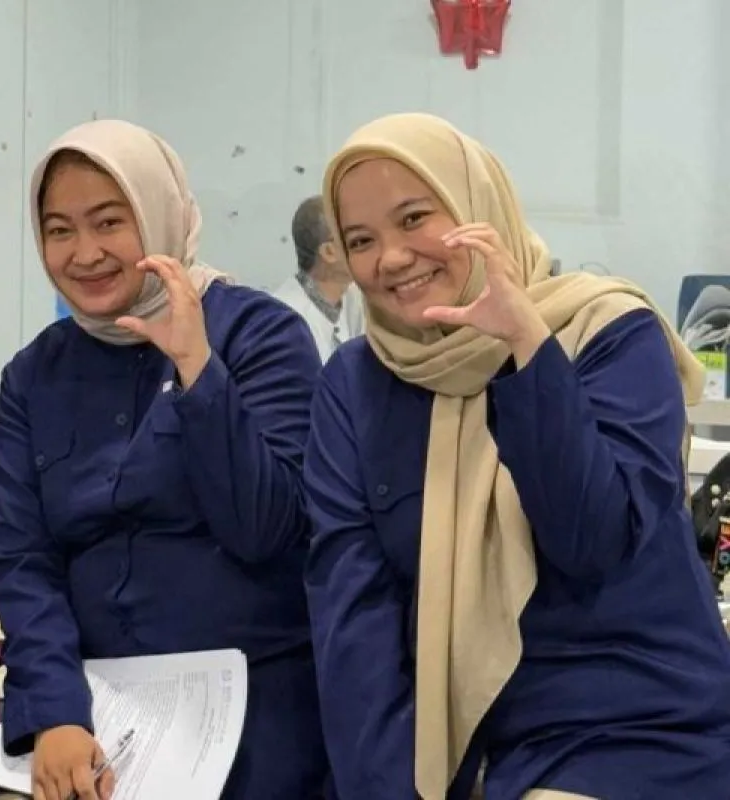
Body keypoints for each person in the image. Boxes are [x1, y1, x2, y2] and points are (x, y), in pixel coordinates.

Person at [304, 111, 730, 799]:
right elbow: (353, 611)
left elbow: (593, 541)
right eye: (361, 240)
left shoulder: (609, 332)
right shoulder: (354, 384)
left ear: (479, 206)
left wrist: (527, 349)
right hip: (460, 742)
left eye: (414, 218)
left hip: (626, 727)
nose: (391, 257)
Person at [0, 119, 329, 800]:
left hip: (250, 702)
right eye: (59, 230)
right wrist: (55, 711)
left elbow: (267, 529)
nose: (85, 253)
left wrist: (198, 369)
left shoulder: (259, 334)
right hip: (98, 705)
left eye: (109, 222)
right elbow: (24, 559)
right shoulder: (34, 374)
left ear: (160, 215)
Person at [273, 195, 366, 362]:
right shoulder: (282, 319)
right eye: (355, 238)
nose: (367, 245)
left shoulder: (356, 296)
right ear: (329, 252)